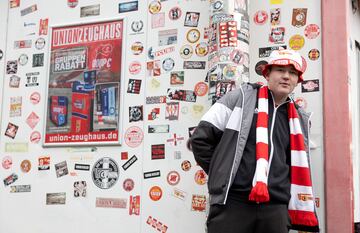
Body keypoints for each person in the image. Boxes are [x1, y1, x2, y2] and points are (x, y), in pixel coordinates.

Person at [191, 49, 319, 233]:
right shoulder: (240, 98)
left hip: (276, 208)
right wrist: (222, 172)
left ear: (297, 80)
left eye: (292, 73)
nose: (286, 76)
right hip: (233, 203)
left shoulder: (299, 118)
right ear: (267, 74)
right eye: (280, 70)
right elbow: (201, 139)